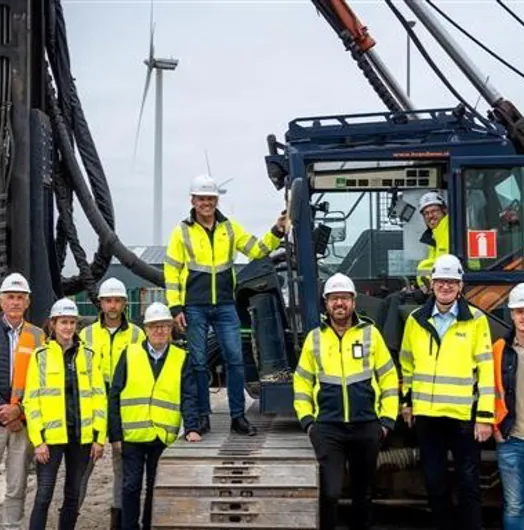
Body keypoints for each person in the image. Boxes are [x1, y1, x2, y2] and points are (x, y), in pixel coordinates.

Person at [164, 174, 287, 436]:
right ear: (193, 201)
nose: (206, 203)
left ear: (216, 200)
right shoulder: (182, 231)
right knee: (198, 363)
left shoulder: (229, 228)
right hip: (194, 306)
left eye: (210, 198)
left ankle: (237, 418)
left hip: (225, 305)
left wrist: (277, 230)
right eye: (201, 199)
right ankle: (203, 418)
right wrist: (175, 308)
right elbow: (171, 271)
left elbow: (257, 249)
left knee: (235, 361)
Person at [293, 272, 399, 530]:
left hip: (366, 427)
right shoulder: (314, 338)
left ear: (353, 302)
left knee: (363, 495)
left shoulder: (371, 334)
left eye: (344, 298)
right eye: (333, 299)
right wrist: (309, 422)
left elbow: (388, 378)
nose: (339, 304)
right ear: (326, 303)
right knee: (330, 494)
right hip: (329, 428)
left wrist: (385, 421)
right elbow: (302, 382)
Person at [400, 254, 494, 530]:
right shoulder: (415, 321)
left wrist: (485, 416)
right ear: (431, 284)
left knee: (469, 484)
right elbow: (407, 365)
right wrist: (407, 403)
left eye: (451, 282)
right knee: (435, 484)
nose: (445, 286)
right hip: (427, 417)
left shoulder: (476, 320)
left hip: (463, 418)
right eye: (441, 281)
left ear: (460, 286)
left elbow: (486, 370)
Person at [108, 302, 201, 530]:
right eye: (154, 326)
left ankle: (149, 525)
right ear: (146, 329)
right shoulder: (129, 354)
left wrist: (191, 428)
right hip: (133, 435)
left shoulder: (181, 358)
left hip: (162, 435)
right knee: (130, 486)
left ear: (171, 329)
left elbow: (189, 395)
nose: (159, 331)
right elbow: (115, 395)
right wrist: (116, 435)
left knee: (155, 486)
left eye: (164, 326)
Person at [24, 298, 106, 530]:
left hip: (81, 437)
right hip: (51, 440)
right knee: (43, 495)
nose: (68, 327)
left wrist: (99, 438)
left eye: (72, 322)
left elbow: (99, 398)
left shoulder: (88, 355)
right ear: (53, 324)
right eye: (63, 322)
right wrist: (38, 442)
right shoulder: (40, 356)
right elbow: (32, 401)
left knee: (73, 494)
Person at [78, 277, 144, 529]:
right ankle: (70, 514)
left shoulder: (137, 335)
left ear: (125, 303)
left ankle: (118, 521)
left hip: (122, 409)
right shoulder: (86, 335)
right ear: (100, 304)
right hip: (93, 407)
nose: (113, 306)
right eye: (108, 301)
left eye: (117, 300)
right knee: (82, 469)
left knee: (122, 469)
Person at [0, 273, 46, 529]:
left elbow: (42, 382)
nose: (15, 302)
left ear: (27, 302)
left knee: (17, 483)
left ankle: (12, 526)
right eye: (10, 297)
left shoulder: (39, 337)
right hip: (1, 416)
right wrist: (4, 411)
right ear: (1, 301)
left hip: (22, 421)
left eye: (20, 297)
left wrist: (18, 411)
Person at [493, 282, 524, 530]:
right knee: (514, 505)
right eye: (518, 311)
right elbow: (490, 391)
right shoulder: (500, 350)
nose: (523, 317)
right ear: (511, 314)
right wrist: (496, 429)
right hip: (511, 439)